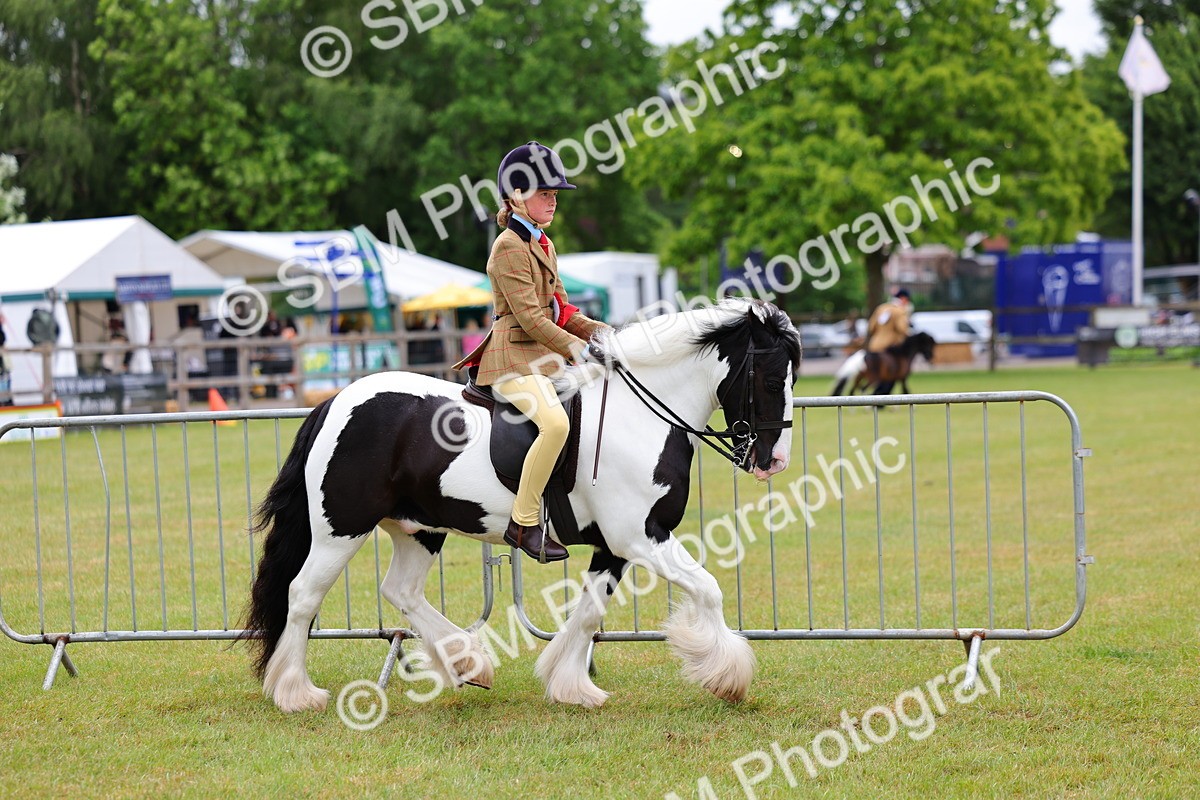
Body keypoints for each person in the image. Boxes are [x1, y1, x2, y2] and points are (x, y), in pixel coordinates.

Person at [452, 141, 609, 562]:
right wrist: (579, 349)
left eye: (556, 194)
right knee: (555, 425)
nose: (554, 200)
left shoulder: (544, 244)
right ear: (517, 196)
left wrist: (606, 334)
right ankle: (523, 522)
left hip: (542, 356)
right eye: (545, 193)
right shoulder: (507, 246)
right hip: (511, 359)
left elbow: (562, 310)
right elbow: (530, 320)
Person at [865, 288, 913, 395]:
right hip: (889, 346)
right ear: (903, 299)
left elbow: (871, 327)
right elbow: (902, 329)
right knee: (899, 367)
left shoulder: (880, 308)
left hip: (874, 346)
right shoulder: (900, 311)